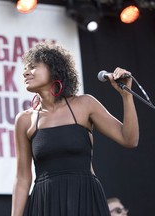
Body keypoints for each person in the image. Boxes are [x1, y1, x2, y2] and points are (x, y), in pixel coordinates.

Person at [11, 41, 139, 216]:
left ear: (54, 69)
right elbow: (22, 178)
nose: (26, 72)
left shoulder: (84, 104)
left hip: (85, 197)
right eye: (25, 68)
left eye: (33, 67)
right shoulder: (25, 120)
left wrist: (126, 96)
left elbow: (129, 139)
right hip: (46, 202)